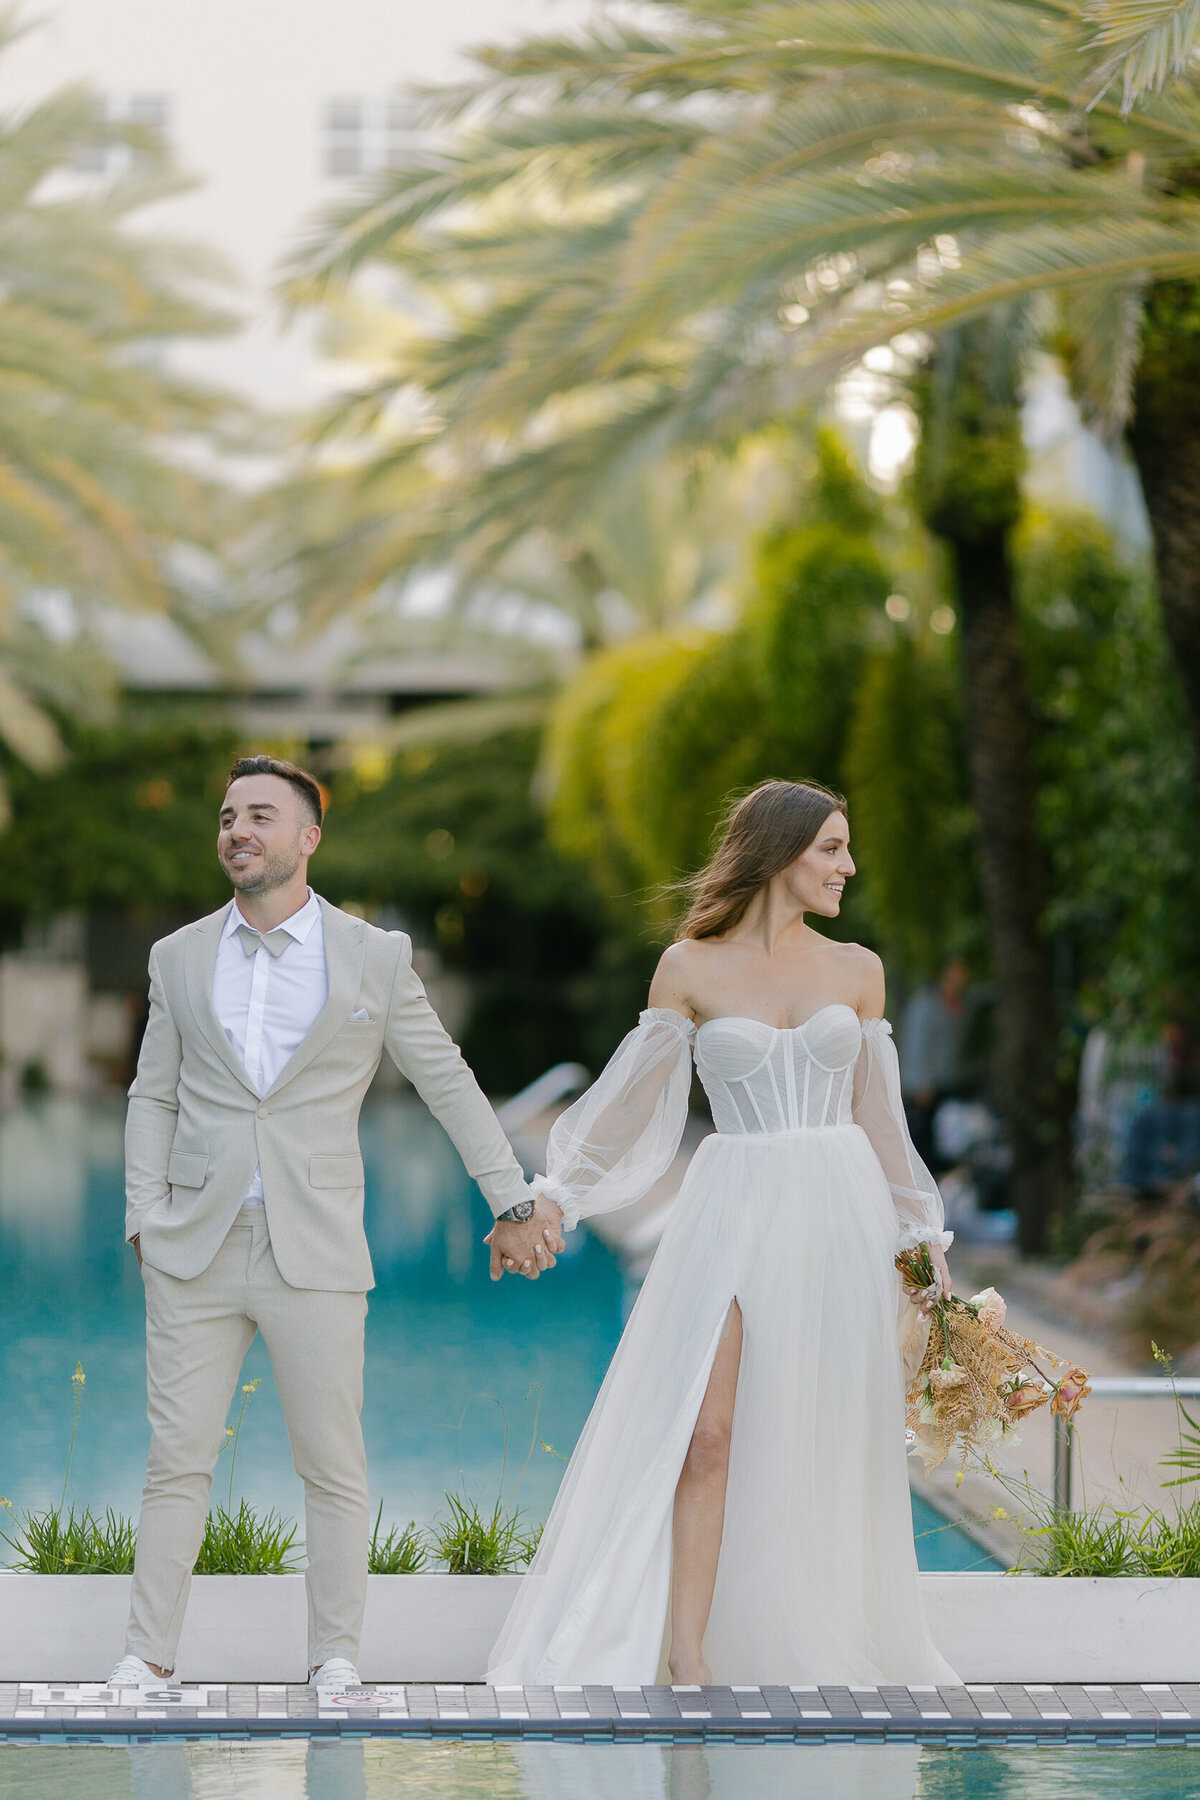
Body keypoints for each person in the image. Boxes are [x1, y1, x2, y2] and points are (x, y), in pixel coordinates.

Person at [108, 754, 563, 1695]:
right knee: (175, 1462)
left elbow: (445, 1079)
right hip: (194, 1245)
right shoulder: (177, 955)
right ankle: (146, 1658)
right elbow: (151, 1095)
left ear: (307, 838)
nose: (238, 830)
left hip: (316, 1246)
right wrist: (143, 1216)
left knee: (332, 1466)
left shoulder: (374, 956)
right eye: (228, 815)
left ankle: (336, 1659)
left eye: (260, 816)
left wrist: (510, 1198)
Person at [487, 779, 957, 1688]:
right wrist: (552, 1198)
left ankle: (815, 1635)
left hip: (838, 1206)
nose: (847, 866)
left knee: (823, 1430)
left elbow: (883, 1120)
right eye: (831, 848)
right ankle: (686, 1654)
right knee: (708, 1429)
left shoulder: (858, 968)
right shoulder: (688, 968)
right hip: (734, 1202)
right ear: (780, 852)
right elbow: (628, 1104)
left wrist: (922, 1244)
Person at [899, 959, 969, 1173]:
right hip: (926, 1087)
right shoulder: (925, 1004)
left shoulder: (959, 1004)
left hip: (947, 1082)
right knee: (924, 1143)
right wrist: (920, 1082)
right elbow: (915, 1044)